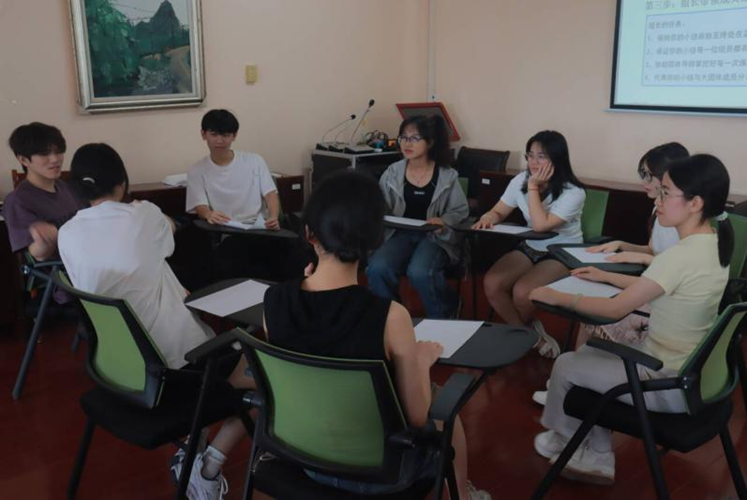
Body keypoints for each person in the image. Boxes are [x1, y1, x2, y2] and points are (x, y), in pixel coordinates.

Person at [263, 171, 489, 499]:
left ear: (309, 233)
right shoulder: (389, 316)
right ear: (375, 240)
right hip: (379, 473)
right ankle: (462, 496)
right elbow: (416, 417)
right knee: (443, 407)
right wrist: (422, 359)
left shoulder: (274, 300)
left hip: (301, 456)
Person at [59, 143, 255, 500]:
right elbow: (168, 234)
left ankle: (192, 451)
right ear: (122, 182)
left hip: (117, 370)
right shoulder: (143, 215)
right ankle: (207, 468)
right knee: (267, 371)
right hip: (173, 372)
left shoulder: (67, 233)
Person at [528, 154, 732, 484]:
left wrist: (556, 295)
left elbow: (614, 310)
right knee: (589, 353)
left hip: (665, 381)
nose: (658, 200)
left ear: (695, 203)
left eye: (666, 193)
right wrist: (605, 276)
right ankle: (594, 451)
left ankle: (570, 442)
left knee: (566, 364)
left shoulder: (680, 256)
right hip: (691, 374)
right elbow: (654, 285)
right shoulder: (712, 244)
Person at [532, 142, 690, 406]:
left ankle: (571, 381)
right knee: (594, 299)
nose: (644, 182)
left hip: (662, 299)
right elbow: (654, 250)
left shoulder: (682, 219)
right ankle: (573, 378)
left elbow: (671, 270)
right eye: (642, 174)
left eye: (648, 176)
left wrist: (638, 260)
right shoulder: (659, 210)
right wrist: (622, 245)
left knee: (597, 309)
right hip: (652, 284)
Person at [473, 131, 585, 358]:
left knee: (523, 292)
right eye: (530, 156)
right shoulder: (520, 180)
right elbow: (499, 211)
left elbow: (541, 225)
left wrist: (533, 187)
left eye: (541, 157)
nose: (533, 162)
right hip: (531, 245)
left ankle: (517, 334)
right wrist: (488, 217)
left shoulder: (574, 192)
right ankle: (529, 334)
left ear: (557, 159)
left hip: (562, 250)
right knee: (492, 282)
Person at [366, 115, 469, 318]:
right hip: (398, 234)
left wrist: (443, 222)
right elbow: (380, 205)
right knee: (377, 267)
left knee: (420, 271)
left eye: (414, 138)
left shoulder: (447, 176)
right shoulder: (392, 172)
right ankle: (392, 318)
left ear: (430, 142)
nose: (407, 143)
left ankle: (445, 314)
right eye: (403, 137)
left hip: (435, 236)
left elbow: (460, 211)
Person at [186, 108, 306, 281]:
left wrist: (273, 217)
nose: (219, 140)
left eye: (225, 135)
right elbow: (200, 206)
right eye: (214, 134)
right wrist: (209, 214)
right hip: (229, 231)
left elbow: (271, 194)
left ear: (234, 136)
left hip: (262, 230)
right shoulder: (197, 170)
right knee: (230, 261)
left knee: (296, 256)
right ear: (203, 134)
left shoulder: (254, 161)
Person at [3, 122, 84, 261]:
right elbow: (38, 255)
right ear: (23, 160)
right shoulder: (17, 201)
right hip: (63, 270)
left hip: (89, 258)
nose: (55, 159)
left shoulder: (65, 186)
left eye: (58, 151)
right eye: (44, 153)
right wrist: (43, 239)